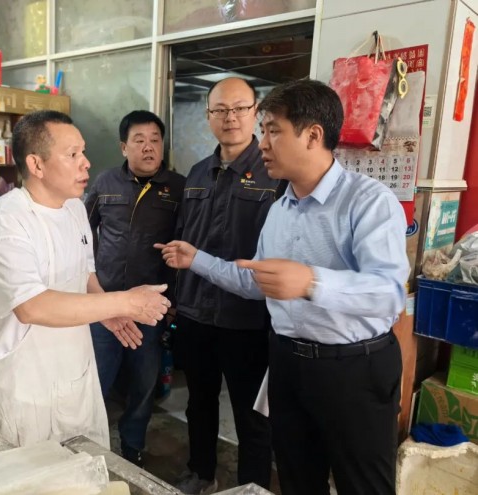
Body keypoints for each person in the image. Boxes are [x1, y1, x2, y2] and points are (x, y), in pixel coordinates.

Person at [158, 79, 409, 495]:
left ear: (312, 135)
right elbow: (255, 281)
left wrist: (311, 281)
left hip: (352, 369)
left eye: (273, 130)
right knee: (296, 478)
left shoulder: (368, 201)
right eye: (264, 131)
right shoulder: (280, 209)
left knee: (362, 484)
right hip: (287, 363)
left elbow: (389, 293)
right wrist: (196, 259)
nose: (263, 143)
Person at [0, 110, 170, 449]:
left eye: (83, 152)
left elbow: (85, 272)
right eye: (73, 154)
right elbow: (31, 307)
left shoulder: (75, 208)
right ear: (37, 165)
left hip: (75, 365)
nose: (86, 163)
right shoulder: (7, 218)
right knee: (34, 471)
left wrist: (107, 309)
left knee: (84, 460)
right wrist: (125, 301)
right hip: (26, 380)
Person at [156, 77, 284, 493]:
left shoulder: (275, 174)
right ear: (208, 116)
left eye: (240, 108)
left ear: (256, 113)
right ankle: (201, 472)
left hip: (247, 318)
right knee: (199, 402)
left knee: (252, 416)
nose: (230, 118)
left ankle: (251, 486)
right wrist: (175, 299)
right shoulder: (196, 174)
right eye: (220, 110)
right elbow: (182, 237)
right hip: (196, 313)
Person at [85, 110, 185, 466]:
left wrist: (173, 302)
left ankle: (132, 446)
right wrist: (91, 281)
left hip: (150, 308)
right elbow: (81, 230)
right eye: (139, 140)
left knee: (143, 386)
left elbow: (185, 248)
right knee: (95, 381)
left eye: (155, 140)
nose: (148, 147)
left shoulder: (179, 187)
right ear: (123, 147)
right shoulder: (105, 182)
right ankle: (88, 444)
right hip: (105, 304)